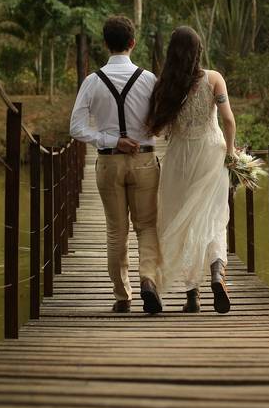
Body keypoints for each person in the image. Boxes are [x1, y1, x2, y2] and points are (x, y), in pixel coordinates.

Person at [69, 16, 163, 314]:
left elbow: (76, 127)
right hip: (145, 160)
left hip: (109, 164)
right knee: (147, 226)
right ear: (133, 43)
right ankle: (148, 278)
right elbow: (161, 125)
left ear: (105, 44)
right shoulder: (149, 80)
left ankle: (123, 296)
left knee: (115, 230)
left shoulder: (92, 81)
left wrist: (109, 139)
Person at [147, 26, 236, 314]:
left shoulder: (166, 86)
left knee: (183, 222)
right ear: (198, 51)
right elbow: (228, 120)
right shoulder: (214, 79)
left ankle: (192, 296)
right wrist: (232, 152)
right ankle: (217, 273)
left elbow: (158, 130)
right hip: (211, 152)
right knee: (213, 217)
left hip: (179, 160)